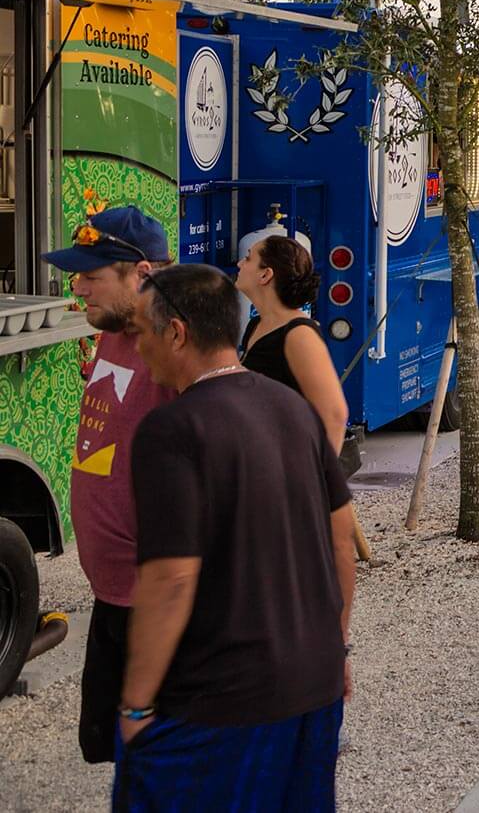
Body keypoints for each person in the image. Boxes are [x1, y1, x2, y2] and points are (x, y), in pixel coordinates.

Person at [118, 264, 355, 806]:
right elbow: (342, 542)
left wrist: (135, 705)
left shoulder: (172, 429)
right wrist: (336, 646)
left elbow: (172, 577)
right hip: (313, 686)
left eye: (141, 331)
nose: (137, 347)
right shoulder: (294, 410)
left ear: (176, 333)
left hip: (219, 706)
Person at [40, 207, 175, 766]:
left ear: (140, 275)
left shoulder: (174, 349)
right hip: (112, 593)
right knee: (108, 748)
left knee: (159, 758)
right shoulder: (118, 332)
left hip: (154, 600)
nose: (77, 285)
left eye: (92, 275)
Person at [236, 235, 347, 451]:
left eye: (248, 259)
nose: (240, 263)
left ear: (265, 275)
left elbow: (334, 415)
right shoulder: (256, 325)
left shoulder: (299, 334)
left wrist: (322, 477)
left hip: (291, 463)